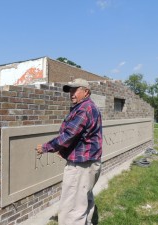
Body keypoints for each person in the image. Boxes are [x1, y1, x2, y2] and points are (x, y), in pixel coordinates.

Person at [36, 78, 103, 225]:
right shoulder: (89, 107)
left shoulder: (84, 109)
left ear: (86, 92)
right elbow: (81, 137)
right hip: (90, 164)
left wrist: (46, 147)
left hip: (81, 166)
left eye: (75, 89)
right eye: (70, 90)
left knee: (72, 208)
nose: (71, 93)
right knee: (84, 201)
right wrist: (65, 151)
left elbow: (69, 135)